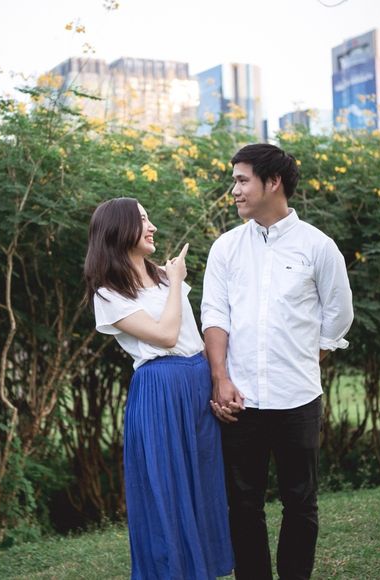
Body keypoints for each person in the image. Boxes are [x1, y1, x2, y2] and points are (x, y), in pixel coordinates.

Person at [201, 144, 354, 580]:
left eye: (242, 180)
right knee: (243, 504)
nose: (234, 190)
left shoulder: (318, 247)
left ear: (273, 183)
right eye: (234, 180)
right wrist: (220, 378)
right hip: (240, 400)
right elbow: (214, 314)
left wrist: (307, 357)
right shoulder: (226, 248)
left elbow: (338, 314)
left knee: (300, 502)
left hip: (298, 398)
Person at [84, 197, 233, 580]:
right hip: (160, 389)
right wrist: (177, 282)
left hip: (196, 379)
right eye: (142, 220)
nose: (151, 227)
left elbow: (192, 336)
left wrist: (218, 379)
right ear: (120, 230)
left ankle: (205, 570)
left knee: (204, 480)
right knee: (167, 487)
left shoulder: (165, 277)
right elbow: (166, 336)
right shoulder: (109, 293)